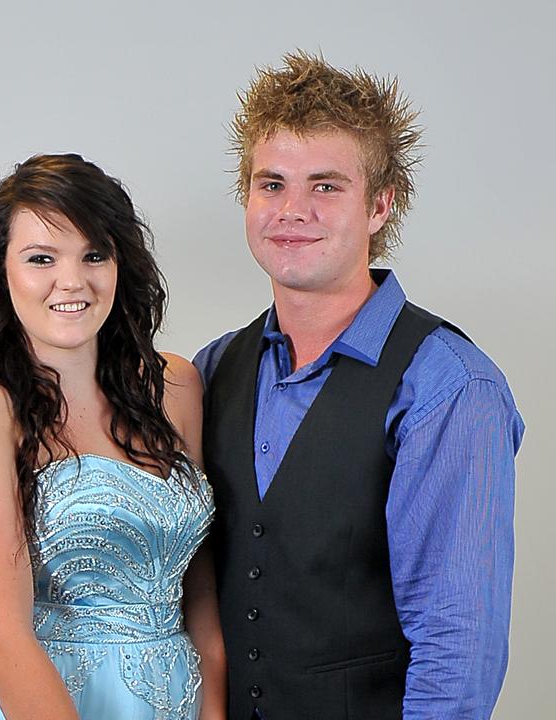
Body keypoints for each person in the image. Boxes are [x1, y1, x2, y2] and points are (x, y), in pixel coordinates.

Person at [194, 52, 524, 720]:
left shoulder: (447, 387)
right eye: (271, 184)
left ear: (380, 204)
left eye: (325, 186)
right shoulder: (211, 369)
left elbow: (457, 647)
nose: (292, 211)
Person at [0, 154, 227, 720]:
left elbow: (203, 596)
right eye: (41, 258)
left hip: (176, 696)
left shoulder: (177, 386)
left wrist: (213, 709)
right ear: (2, 272)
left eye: (95, 255)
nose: (72, 282)